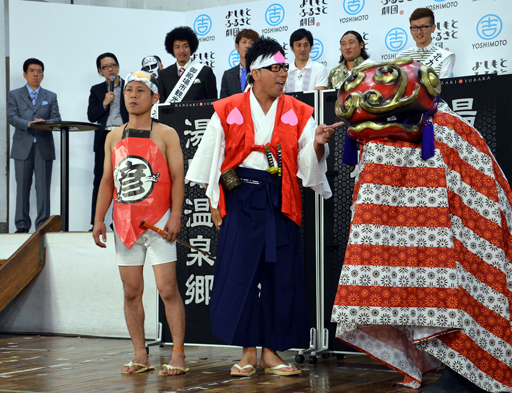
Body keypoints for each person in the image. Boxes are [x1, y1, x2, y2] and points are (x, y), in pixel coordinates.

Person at [331, 58, 512, 393]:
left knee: (469, 273)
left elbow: (478, 202)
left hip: (459, 230)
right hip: (420, 229)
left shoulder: (448, 129)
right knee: (416, 276)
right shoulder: (383, 136)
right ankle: (450, 368)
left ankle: (470, 372)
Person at [186, 36, 340, 377]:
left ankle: (272, 352)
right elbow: (214, 162)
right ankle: (247, 352)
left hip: (279, 197)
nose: (283, 73)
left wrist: (316, 144)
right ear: (253, 72)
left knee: (279, 275)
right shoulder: (226, 109)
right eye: (275, 68)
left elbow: (307, 164)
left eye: (285, 67)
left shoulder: (300, 112)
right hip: (239, 197)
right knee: (240, 274)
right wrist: (215, 201)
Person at [92, 71, 187, 376]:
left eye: (140, 91)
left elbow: (177, 179)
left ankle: (178, 353)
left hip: (159, 221)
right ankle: (139, 353)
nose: (132, 95)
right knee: (131, 290)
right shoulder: (113, 136)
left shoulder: (166, 134)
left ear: (155, 98)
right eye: (128, 90)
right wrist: (98, 219)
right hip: (124, 222)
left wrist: (175, 215)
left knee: (167, 288)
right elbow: (108, 181)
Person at [7, 58, 61, 233]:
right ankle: (22, 225)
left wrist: (45, 122)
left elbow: (57, 119)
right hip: (23, 146)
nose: (36, 74)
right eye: (32, 71)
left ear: (43, 75)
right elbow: (12, 117)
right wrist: (28, 123)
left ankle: (43, 225)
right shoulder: (14, 94)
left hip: (44, 146)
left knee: (43, 189)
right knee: (22, 188)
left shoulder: (50, 96)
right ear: (25, 74)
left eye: (39, 71)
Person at [87, 53, 129, 229]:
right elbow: (91, 116)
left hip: (126, 136)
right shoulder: (96, 90)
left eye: (113, 65)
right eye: (105, 67)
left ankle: (119, 221)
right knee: (101, 180)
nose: (110, 69)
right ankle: (96, 222)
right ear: (100, 71)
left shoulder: (130, 87)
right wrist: (104, 103)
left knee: (125, 179)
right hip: (105, 138)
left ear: (118, 67)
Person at [158, 26, 217, 103]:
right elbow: (162, 104)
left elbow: (212, 102)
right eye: (177, 47)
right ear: (172, 50)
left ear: (191, 48)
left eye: (185, 46)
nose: (182, 51)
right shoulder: (163, 75)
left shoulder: (205, 72)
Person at [398, 8, 455, 78]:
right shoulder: (402, 56)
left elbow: (444, 87)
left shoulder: (445, 56)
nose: (419, 32)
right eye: (415, 27)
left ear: (433, 28)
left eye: (423, 27)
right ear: (410, 30)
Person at [219, 28, 259, 98]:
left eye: (251, 43)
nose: (247, 46)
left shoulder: (262, 72)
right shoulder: (228, 75)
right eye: (244, 42)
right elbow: (224, 103)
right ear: (237, 46)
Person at [285, 28, 328, 92]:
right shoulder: (285, 70)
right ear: (291, 48)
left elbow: (319, 97)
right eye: (298, 45)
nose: (302, 49)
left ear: (311, 48)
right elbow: (281, 97)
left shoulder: (319, 69)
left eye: (306, 45)